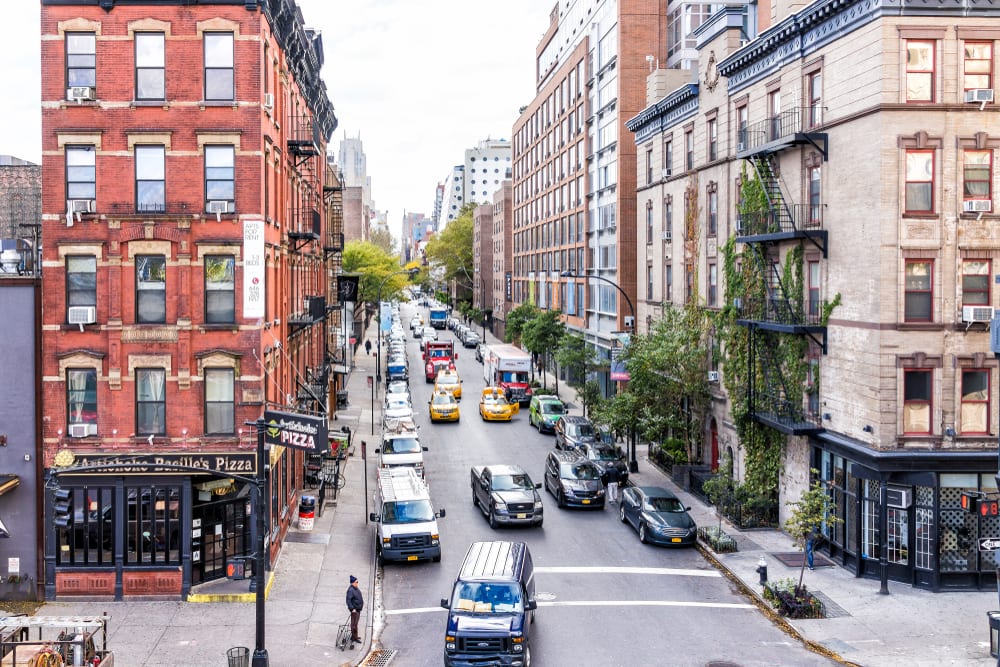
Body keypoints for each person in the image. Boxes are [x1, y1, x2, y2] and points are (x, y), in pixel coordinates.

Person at [346, 575, 364, 644]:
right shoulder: (350, 590)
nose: (357, 583)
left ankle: (354, 636)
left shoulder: (355, 588)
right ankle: (354, 637)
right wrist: (352, 608)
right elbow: (348, 601)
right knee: (354, 625)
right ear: (352, 583)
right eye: (356, 582)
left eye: (357, 582)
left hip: (358, 609)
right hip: (355, 610)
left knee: (355, 624)